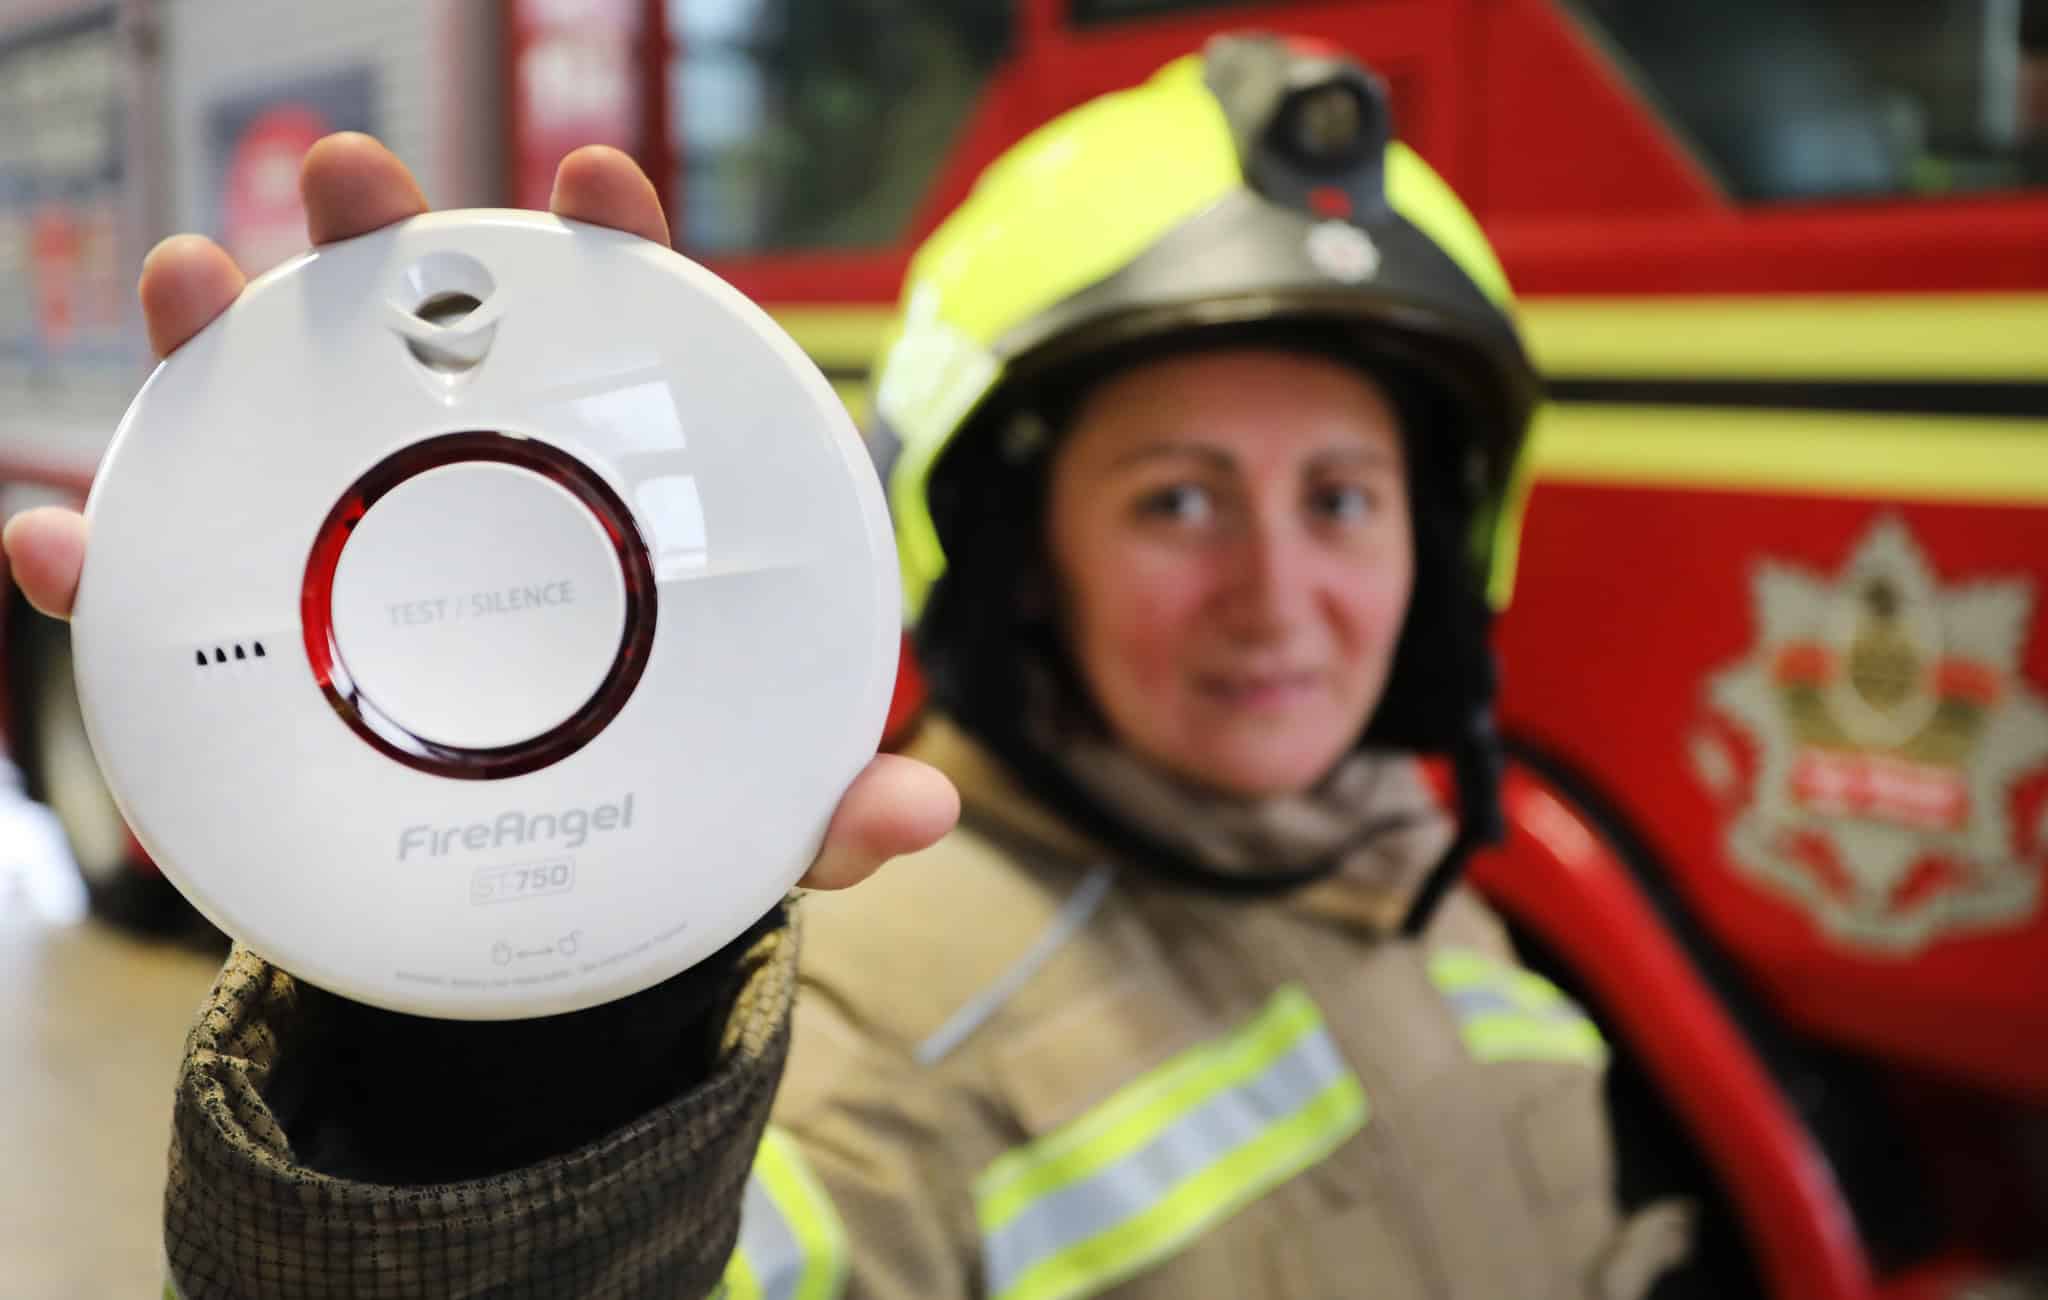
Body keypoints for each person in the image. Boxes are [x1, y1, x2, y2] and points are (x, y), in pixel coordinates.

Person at [5, 33, 1693, 1300]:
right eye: (1177, 500)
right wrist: (498, 1088)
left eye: (1345, 499)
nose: (1280, 596)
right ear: (1016, 553)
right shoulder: (875, 1035)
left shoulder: (1422, 890)